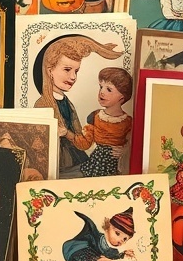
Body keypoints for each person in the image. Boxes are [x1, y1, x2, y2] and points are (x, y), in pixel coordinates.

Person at [34, 34, 123, 176]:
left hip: (76, 155)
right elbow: (37, 142)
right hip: (59, 160)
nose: (73, 77)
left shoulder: (67, 102)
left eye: (76, 71)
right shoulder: (42, 104)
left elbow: (79, 134)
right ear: (50, 70)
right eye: (67, 70)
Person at [73, 67, 133, 177]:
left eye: (109, 89)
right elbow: (85, 143)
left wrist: (125, 151)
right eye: (101, 87)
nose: (101, 92)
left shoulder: (128, 122)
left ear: (122, 96)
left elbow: (133, 144)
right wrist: (68, 134)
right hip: (94, 165)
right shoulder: (95, 116)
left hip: (117, 167)